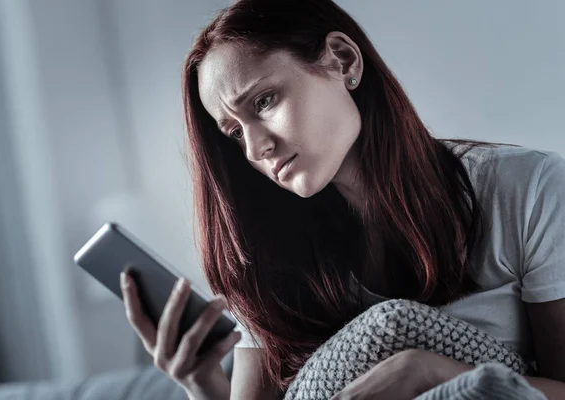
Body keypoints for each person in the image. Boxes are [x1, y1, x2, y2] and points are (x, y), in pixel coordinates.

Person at [119, 0, 565, 399]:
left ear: (343, 60)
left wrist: (425, 369)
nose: (256, 149)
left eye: (265, 101)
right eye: (235, 133)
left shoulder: (527, 189)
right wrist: (203, 385)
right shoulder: (267, 256)